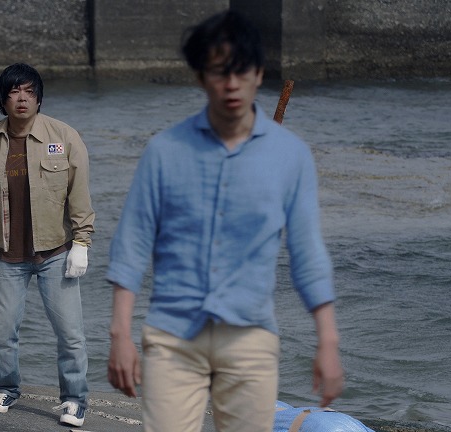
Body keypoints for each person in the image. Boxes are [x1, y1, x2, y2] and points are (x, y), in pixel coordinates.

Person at [106, 10, 344, 432]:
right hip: (172, 336)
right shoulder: (165, 151)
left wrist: (327, 340)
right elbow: (132, 246)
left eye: (242, 71)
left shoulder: (290, 155)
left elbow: (308, 253)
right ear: (201, 77)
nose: (232, 84)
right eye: (219, 72)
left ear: (259, 73)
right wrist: (120, 335)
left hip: (250, 336)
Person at [0, 63, 95, 428]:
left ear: (39, 98)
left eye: (30, 92)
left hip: (56, 253)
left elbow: (79, 194)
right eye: (15, 91)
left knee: (70, 334)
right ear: (3, 99)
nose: (22, 99)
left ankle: (74, 399)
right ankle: (6, 388)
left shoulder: (64, 136)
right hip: (9, 256)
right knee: (2, 332)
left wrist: (82, 242)